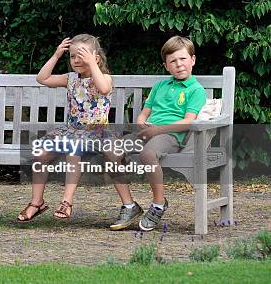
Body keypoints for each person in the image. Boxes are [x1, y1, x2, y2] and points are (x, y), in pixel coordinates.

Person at [107, 36, 206, 231]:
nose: (179, 64)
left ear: (193, 60)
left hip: (171, 136)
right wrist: (142, 124)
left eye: (183, 59)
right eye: (173, 61)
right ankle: (130, 205)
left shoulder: (196, 90)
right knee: (111, 151)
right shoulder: (160, 87)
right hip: (148, 133)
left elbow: (187, 122)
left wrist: (156, 130)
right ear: (166, 65)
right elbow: (143, 115)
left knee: (148, 154)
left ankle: (159, 204)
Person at [17, 34, 113, 222]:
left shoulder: (104, 78)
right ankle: (37, 202)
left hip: (96, 133)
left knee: (73, 149)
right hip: (72, 130)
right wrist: (56, 55)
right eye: (72, 56)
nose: (76, 60)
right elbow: (42, 78)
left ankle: (66, 201)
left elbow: (103, 89)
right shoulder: (70, 79)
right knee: (41, 154)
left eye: (82, 55)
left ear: (96, 58)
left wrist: (92, 65)